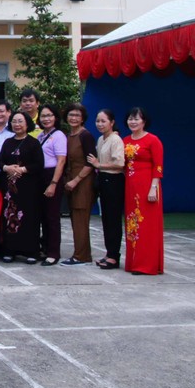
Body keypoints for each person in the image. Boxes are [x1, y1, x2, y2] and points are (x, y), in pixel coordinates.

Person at [0, 111, 45, 264]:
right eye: (14, 121)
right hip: (10, 190)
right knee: (9, 217)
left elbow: (39, 164)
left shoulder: (33, 142)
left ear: (27, 124)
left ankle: (31, 251)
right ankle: (10, 250)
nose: (17, 124)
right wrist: (7, 168)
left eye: (20, 121)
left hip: (28, 188)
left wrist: (22, 170)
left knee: (29, 219)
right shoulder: (7, 142)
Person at [122, 107, 163, 275]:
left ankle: (147, 265)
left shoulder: (153, 140)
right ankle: (134, 262)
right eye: (130, 119)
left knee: (147, 226)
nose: (133, 122)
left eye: (136, 119)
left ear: (144, 121)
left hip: (148, 186)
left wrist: (154, 187)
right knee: (132, 225)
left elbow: (158, 166)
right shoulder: (125, 141)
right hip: (130, 186)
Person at [87, 109, 125, 270]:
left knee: (113, 220)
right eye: (98, 121)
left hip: (113, 180)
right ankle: (109, 253)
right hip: (103, 179)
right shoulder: (101, 139)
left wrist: (98, 165)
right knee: (106, 220)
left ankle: (114, 256)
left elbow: (119, 163)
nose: (100, 124)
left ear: (112, 122)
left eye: (103, 121)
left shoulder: (115, 139)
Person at [61, 103, 97, 266]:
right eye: (71, 115)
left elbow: (90, 163)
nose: (73, 118)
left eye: (77, 115)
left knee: (81, 219)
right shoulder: (69, 135)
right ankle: (80, 253)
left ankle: (82, 256)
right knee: (75, 219)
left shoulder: (85, 136)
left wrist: (76, 180)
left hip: (83, 182)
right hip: (70, 181)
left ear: (83, 118)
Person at [36, 104, 67, 266]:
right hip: (40, 176)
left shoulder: (59, 135)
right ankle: (45, 247)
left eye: (49, 116)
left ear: (55, 117)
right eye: (43, 116)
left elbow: (61, 161)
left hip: (52, 176)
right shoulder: (41, 136)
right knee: (43, 216)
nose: (46, 119)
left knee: (52, 217)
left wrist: (54, 183)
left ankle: (54, 252)